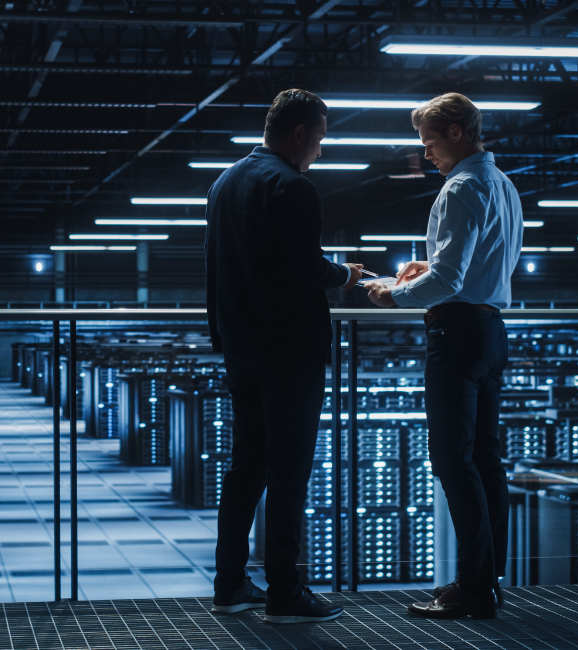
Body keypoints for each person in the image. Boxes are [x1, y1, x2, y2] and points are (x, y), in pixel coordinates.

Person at [205, 88, 363, 624]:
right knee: (290, 471)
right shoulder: (293, 187)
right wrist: (346, 274)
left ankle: (229, 583)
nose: (318, 151)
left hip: (241, 349)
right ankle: (285, 593)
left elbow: (216, 272)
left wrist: (223, 337)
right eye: (318, 141)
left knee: (246, 466)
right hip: (290, 352)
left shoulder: (223, 183)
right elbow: (305, 269)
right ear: (300, 134)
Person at [366, 92, 523, 619]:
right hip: (491, 331)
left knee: (452, 461)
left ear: (456, 132)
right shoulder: (503, 185)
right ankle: (487, 581)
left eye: (430, 143)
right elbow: (470, 267)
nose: (425, 154)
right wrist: (424, 267)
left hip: (455, 335)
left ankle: (474, 589)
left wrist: (395, 294)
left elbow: (452, 280)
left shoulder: (460, 188)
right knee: (485, 459)